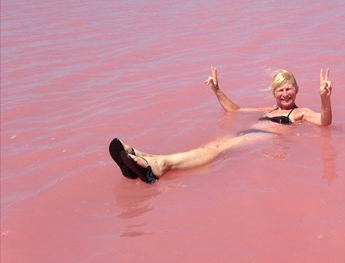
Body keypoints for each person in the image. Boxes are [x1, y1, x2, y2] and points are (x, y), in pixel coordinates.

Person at [109, 67, 332, 183]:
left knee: (217, 149)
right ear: (274, 93)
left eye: (288, 88)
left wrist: (324, 98)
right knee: (214, 146)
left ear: (297, 90)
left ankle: (157, 167)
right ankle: (143, 157)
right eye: (280, 90)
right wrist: (216, 89)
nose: (285, 94)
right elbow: (234, 110)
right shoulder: (269, 110)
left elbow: (324, 122)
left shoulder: (300, 112)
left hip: (262, 137)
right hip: (249, 133)